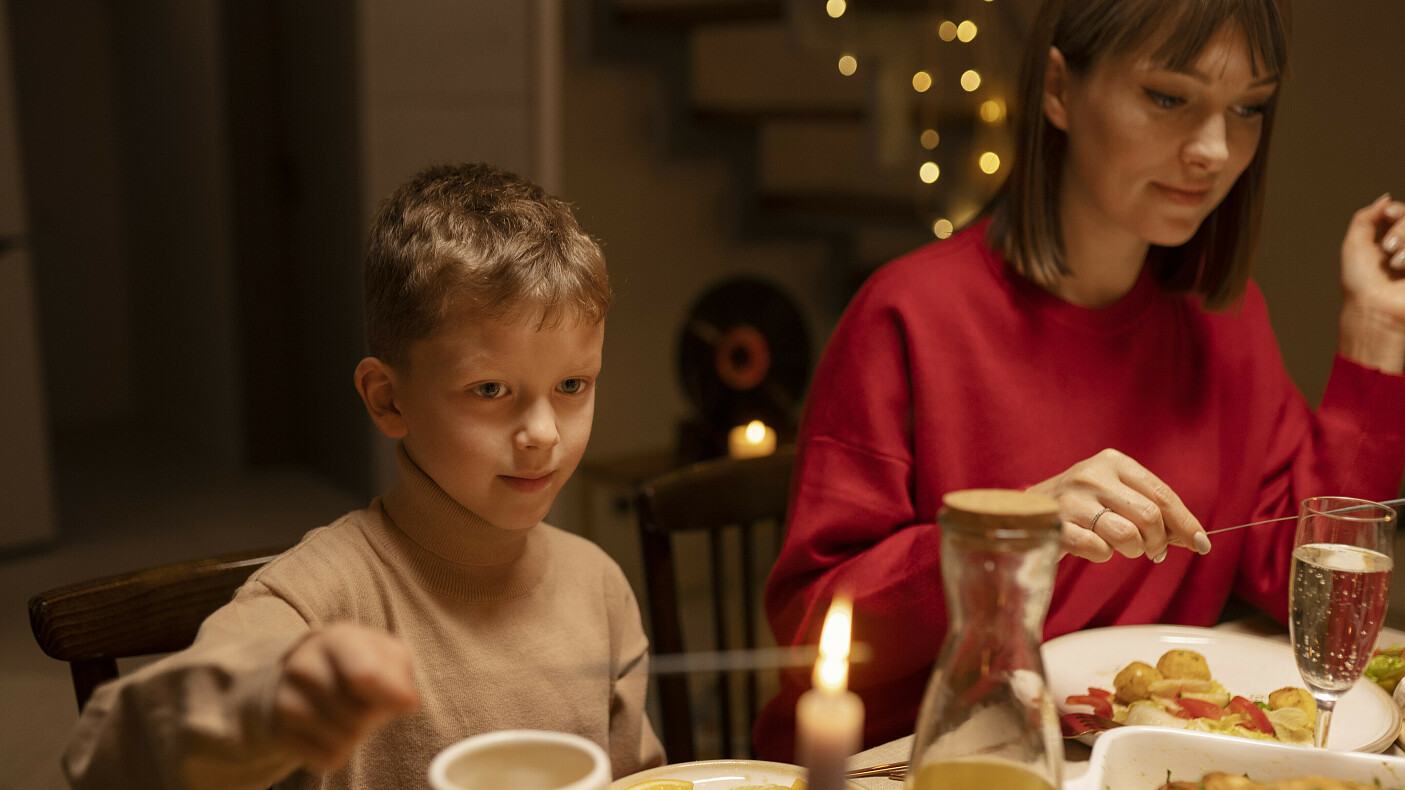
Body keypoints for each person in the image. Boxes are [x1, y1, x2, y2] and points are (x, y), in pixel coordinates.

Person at [754, 0, 1405, 761]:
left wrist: (1377, 333)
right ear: (1058, 89)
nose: (1213, 150)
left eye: (1247, 109)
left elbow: (1302, 581)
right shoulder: (908, 314)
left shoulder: (1222, 322)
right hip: (908, 763)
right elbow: (809, 627)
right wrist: (1008, 532)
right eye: (1168, 97)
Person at [63, 163, 665, 788]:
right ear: (387, 399)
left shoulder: (598, 587)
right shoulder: (318, 599)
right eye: (490, 388)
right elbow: (97, 762)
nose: (542, 432)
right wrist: (263, 702)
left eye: (572, 384)